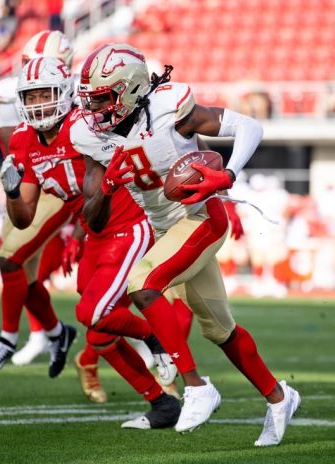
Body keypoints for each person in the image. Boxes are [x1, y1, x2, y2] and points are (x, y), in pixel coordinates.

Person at [71, 43, 300, 447]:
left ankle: (196, 386)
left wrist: (228, 175)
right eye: (91, 100)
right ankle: (279, 398)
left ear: (130, 89)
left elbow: (249, 127)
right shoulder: (89, 136)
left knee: (143, 284)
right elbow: (94, 219)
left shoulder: (168, 109)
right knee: (219, 329)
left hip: (201, 218)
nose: (94, 110)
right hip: (165, 231)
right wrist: (106, 188)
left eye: (103, 99)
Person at [0, 56, 181, 429]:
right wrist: (12, 193)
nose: (38, 104)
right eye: (31, 97)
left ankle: (157, 341)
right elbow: (24, 218)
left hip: (130, 223)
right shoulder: (22, 139)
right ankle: (162, 403)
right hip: (96, 232)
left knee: (92, 313)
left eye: (45, 94)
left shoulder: (86, 124)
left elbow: (129, 156)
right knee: (99, 336)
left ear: (64, 92)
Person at [0, 31, 92, 395]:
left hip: (58, 185)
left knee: (11, 260)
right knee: (20, 275)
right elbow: (10, 140)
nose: (40, 75)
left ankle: (7, 339)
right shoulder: (15, 92)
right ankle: (57, 334)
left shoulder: (80, 99)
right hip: (28, 177)